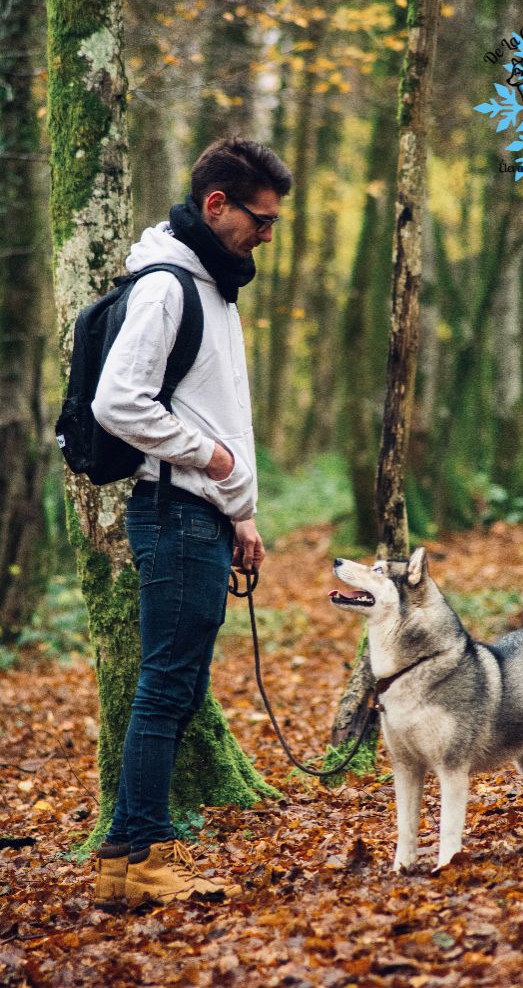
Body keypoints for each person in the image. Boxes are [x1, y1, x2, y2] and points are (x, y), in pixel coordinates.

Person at [90, 136, 292, 909]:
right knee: (166, 688)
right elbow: (119, 401)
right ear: (217, 206)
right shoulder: (168, 285)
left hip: (205, 518)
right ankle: (133, 858)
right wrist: (205, 461)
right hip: (173, 515)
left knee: (178, 688)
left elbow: (222, 415)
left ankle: (129, 855)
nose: (268, 233)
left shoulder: (213, 286)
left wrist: (243, 511)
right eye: (260, 218)